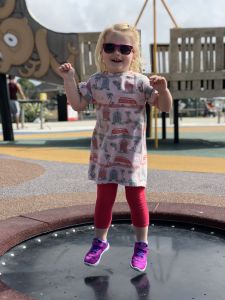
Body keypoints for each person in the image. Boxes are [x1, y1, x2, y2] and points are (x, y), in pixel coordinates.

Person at [59, 23, 172, 272]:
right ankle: (100, 241)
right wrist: (69, 79)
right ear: (102, 51)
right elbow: (77, 104)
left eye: (124, 48)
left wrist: (163, 90)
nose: (117, 53)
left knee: (136, 199)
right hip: (106, 153)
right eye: (110, 47)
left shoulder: (140, 82)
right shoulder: (97, 82)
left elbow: (164, 107)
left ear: (133, 54)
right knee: (104, 199)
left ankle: (141, 245)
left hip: (132, 153)